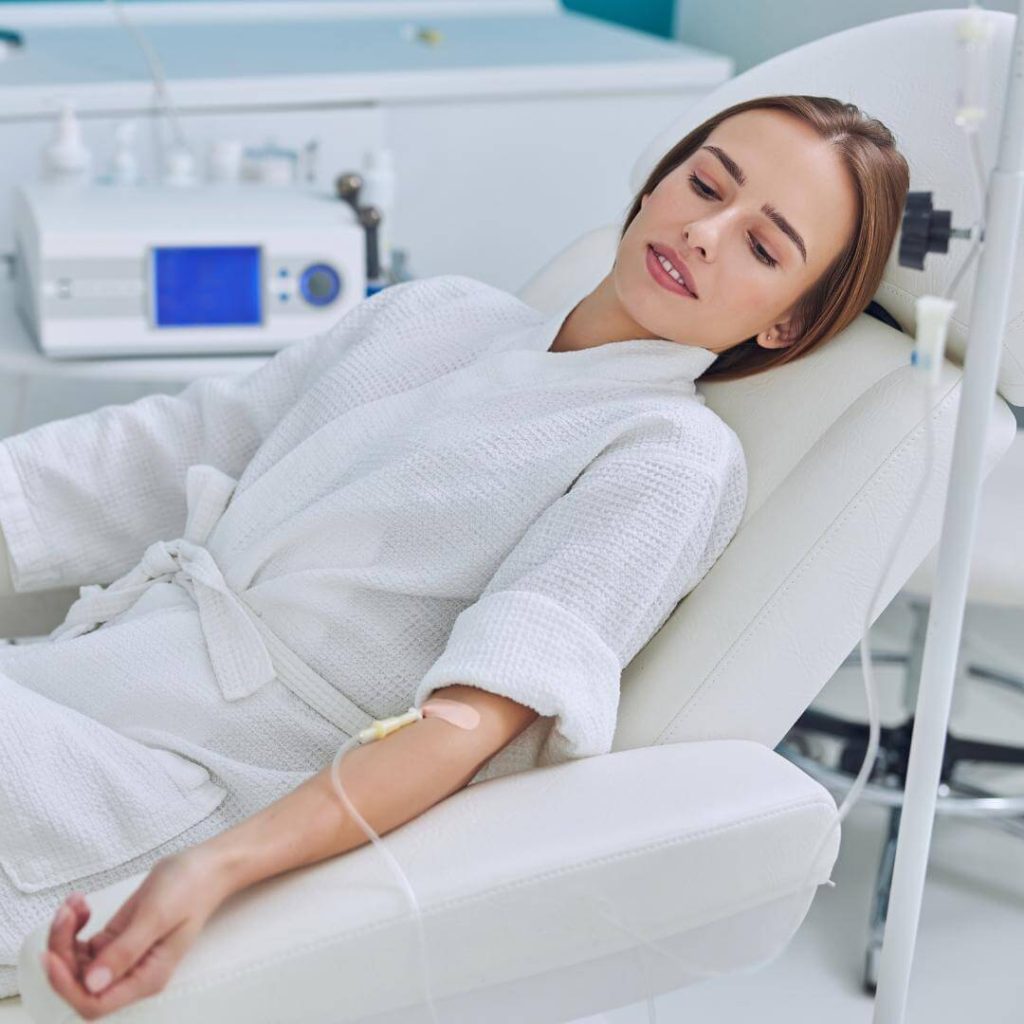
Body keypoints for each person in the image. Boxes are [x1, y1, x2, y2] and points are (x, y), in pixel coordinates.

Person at [0, 93, 909, 1017]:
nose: (706, 231)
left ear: (785, 326)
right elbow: (179, 444)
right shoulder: (441, 315)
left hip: (200, 777)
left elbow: (467, 725)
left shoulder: (668, 456)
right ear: (657, 182)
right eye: (705, 182)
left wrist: (217, 870)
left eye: (763, 248)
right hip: (89, 679)